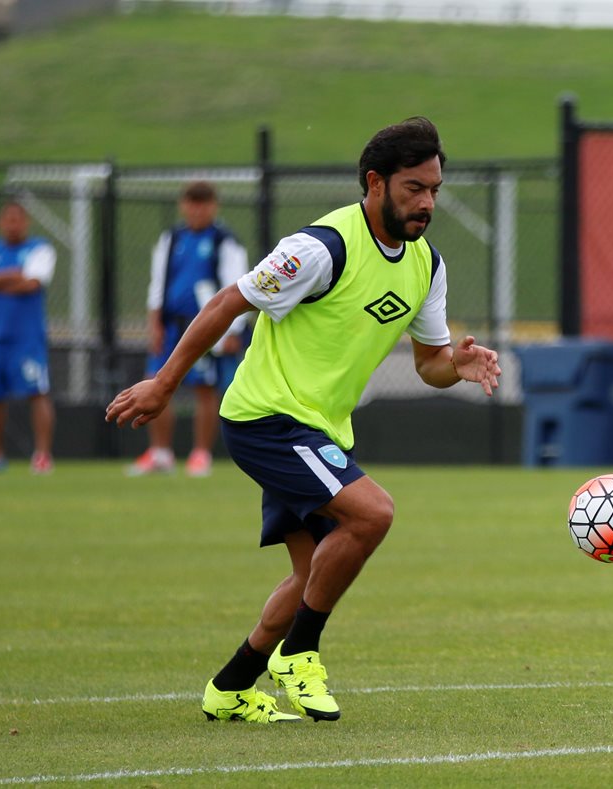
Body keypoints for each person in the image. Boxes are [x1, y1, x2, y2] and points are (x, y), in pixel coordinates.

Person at [106, 117, 500, 724]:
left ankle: (231, 687)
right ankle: (301, 652)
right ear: (376, 183)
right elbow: (225, 303)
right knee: (373, 513)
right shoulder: (319, 249)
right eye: (414, 189)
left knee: (309, 574)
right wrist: (165, 383)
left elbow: (429, 364)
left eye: (434, 190)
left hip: (319, 429)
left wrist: (460, 366)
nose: (426, 203)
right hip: (267, 417)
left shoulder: (427, 264)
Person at [126, 181, 250, 478]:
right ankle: (160, 453)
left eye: (203, 203)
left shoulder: (225, 241)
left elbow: (238, 285)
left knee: (204, 389)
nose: (197, 209)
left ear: (213, 206)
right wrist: (153, 323)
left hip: (205, 328)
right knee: (153, 382)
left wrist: (232, 330)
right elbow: (157, 284)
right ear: (183, 205)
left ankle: (200, 453)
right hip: (171, 326)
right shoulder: (171, 239)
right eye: (192, 203)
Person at [0, 200, 56, 474]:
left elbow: (31, 283)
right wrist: (11, 276)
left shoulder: (39, 249)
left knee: (37, 392)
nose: (13, 225)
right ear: (0, 222)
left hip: (26, 338)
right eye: (8, 219)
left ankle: (42, 455)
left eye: (18, 220)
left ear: (25, 222)